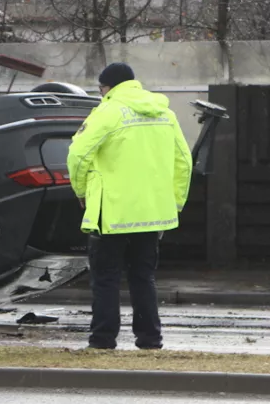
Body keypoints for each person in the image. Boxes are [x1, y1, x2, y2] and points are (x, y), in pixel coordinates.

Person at [66, 62, 192, 351]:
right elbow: (183, 161)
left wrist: (81, 191)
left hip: (112, 214)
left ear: (106, 87)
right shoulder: (165, 113)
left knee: (106, 279)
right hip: (152, 215)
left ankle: (102, 340)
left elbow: (77, 154)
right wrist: (174, 203)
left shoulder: (107, 112)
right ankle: (150, 339)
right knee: (143, 277)